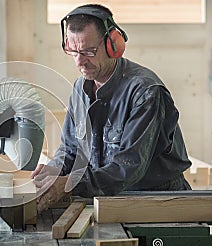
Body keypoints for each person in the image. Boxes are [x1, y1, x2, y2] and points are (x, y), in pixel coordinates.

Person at [32, 4, 192, 213]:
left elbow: (128, 167)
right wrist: (56, 169)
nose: (80, 61)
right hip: (109, 200)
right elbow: (71, 149)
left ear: (112, 45)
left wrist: (69, 184)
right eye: (73, 51)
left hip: (158, 203)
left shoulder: (145, 92)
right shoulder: (81, 87)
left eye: (89, 51)